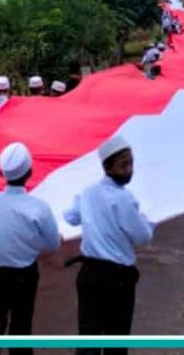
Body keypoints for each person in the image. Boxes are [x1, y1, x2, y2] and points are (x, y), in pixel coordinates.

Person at [64, 136, 154, 355]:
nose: (129, 169)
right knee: (116, 339)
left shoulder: (88, 193)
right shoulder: (124, 199)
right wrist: (147, 221)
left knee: (88, 338)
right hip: (117, 280)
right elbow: (142, 236)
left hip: (90, 275)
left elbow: (70, 217)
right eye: (123, 165)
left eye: (131, 163)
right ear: (108, 167)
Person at [0, 142, 60, 354]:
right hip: (24, 276)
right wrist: (31, 244)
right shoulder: (39, 207)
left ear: (1, 173)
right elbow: (53, 244)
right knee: (21, 329)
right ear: (29, 172)